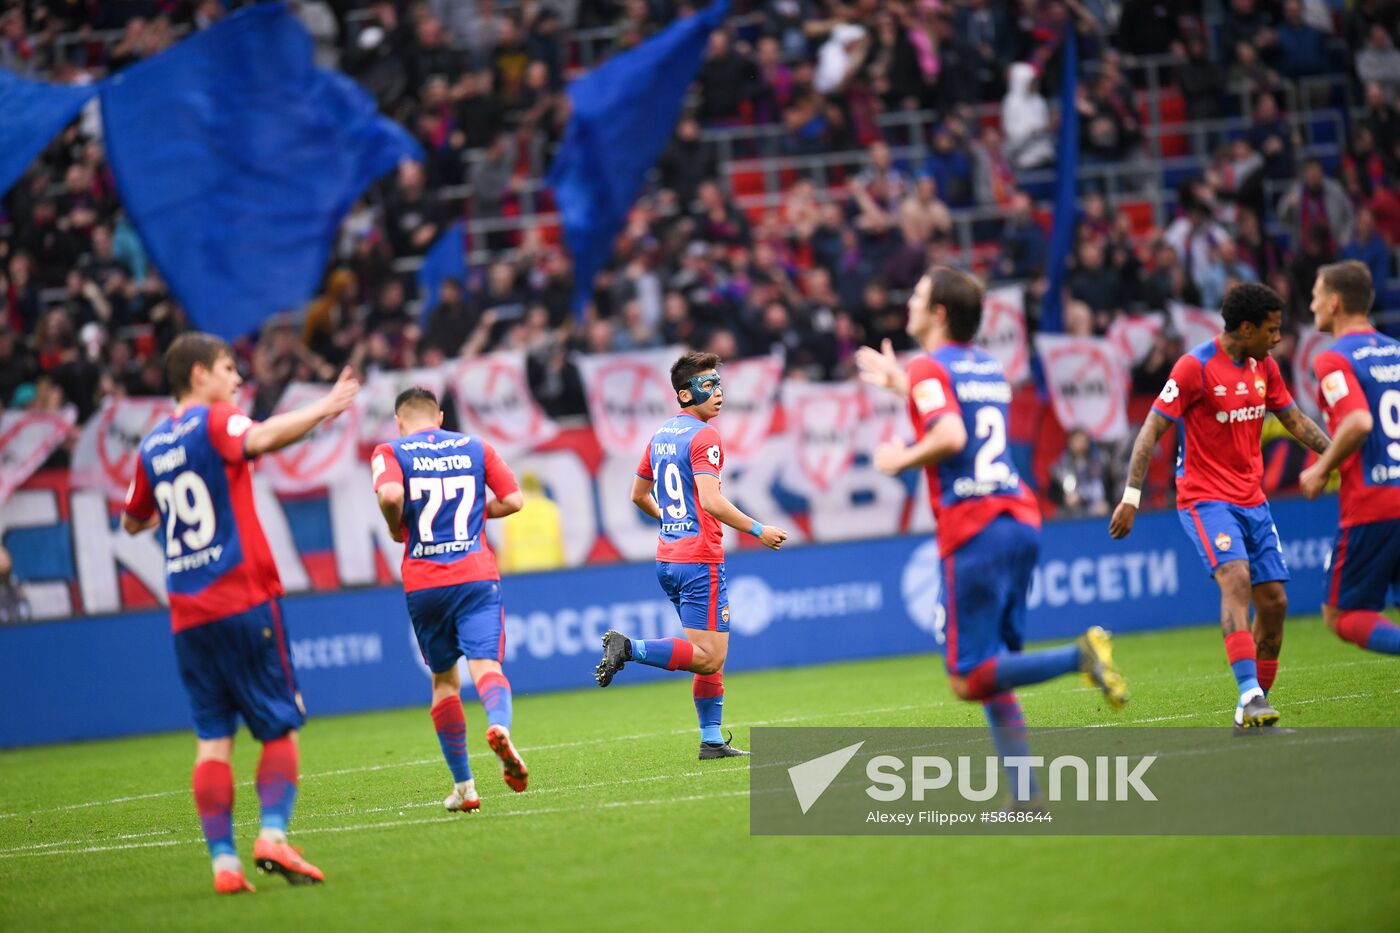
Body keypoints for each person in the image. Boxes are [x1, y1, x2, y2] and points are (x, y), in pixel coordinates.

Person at [857, 266, 1128, 808]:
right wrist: (900, 381)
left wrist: (898, 460)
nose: (906, 301)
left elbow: (952, 431)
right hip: (1019, 520)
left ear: (938, 314)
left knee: (968, 677)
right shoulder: (986, 366)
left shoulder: (931, 367)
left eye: (915, 294)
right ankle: (1026, 794)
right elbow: (956, 403)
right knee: (996, 663)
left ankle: (1079, 656)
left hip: (974, 525)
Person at [122, 333, 359, 894]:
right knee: (280, 726)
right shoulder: (215, 420)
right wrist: (324, 408)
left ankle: (223, 864)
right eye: (229, 369)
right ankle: (273, 835)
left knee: (213, 740)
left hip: (188, 615)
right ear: (199, 374)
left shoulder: (153, 445)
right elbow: (260, 438)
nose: (236, 381)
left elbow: (133, 521)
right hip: (243, 600)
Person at [1110, 284, 1330, 730]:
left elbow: (1295, 420)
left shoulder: (1265, 366)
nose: (1277, 337)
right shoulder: (1194, 367)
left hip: (1253, 499)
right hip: (1205, 499)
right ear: (1245, 328)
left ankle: (1257, 701)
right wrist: (1131, 497)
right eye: (1271, 329)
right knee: (1236, 578)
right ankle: (1248, 693)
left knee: (1275, 603)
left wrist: (1340, 457)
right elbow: (1150, 431)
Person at [594, 351, 790, 760]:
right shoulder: (705, 437)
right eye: (707, 385)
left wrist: (672, 521)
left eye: (719, 383)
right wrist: (760, 530)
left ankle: (713, 739)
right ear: (684, 394)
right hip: (700, 559)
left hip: (668, 557)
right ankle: (629, 648)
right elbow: (712, 501)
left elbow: (638, 494)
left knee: (707, 652)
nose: (718, 392)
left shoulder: (663, 433)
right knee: (709, 656)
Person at [371, 387, 527, 813]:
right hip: (475, 575)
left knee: (444, 682)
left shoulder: (390, 450)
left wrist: (394, 528)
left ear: (400, 422)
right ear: (439, 417)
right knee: (486, 667)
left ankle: (465, 787)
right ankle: (498, 727)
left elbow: (389, 496)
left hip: (424, 582)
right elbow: (514, 500)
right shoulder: (476, 447)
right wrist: (478, 512)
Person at [1299, 261, 1400, 657]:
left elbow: (1358, 420)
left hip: (1373, 502)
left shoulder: (1333, 359)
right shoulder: (1396, 352)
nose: (1312, 306)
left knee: (1342, 613)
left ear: (1335, 302)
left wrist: (1321, 469)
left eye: (1316, 295)